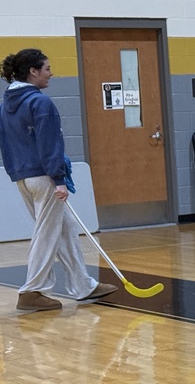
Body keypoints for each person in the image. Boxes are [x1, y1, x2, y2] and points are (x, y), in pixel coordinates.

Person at [0, 48, 117, 312]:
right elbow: (49, 144)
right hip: (43, 177)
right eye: (47, 68)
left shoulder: (6, 104)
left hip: (23, 176)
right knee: (46, 232)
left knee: (64, 228)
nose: (51, 74)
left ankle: (82, 284)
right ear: (33, 71)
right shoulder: (40, 103)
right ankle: (32, 291)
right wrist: (58, 178)